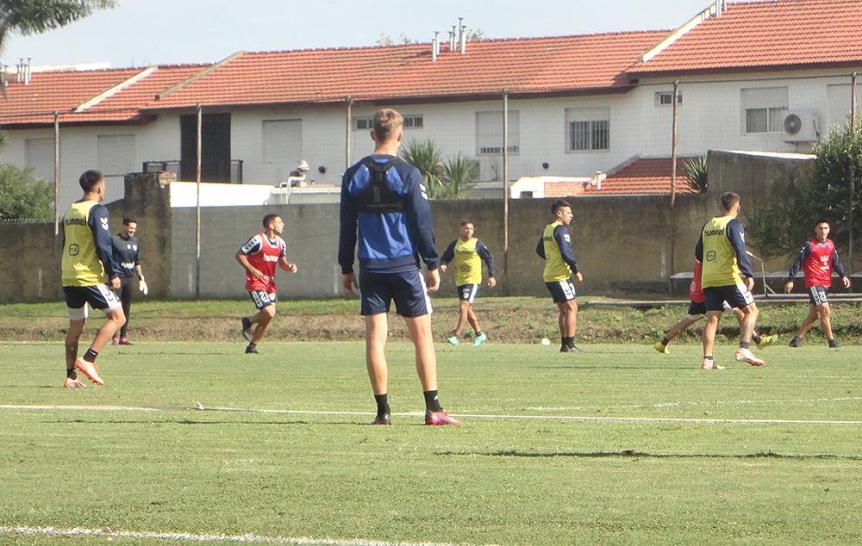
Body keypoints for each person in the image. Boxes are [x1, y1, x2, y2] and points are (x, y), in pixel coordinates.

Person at [338, 107, 460, 426]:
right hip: (404, 266)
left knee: (376, 338)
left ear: (372, 135)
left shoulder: (352, 175)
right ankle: (433, 409)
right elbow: (421, 222)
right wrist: (432, 262)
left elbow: (346, 225)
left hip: (371, 268)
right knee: (422, 337)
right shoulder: (408, 174)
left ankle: (383, 412)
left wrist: (345, 267)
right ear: (401, 135)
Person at [61, 169, 125, 388]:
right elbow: (103, 244)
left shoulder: (70, 210)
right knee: (118, 317)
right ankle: (88, 359)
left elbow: (64, 242)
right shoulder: (97, 210)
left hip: (69, 274)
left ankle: (70, 376)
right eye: (104, 186)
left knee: (76, 327)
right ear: (98, 188)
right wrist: (113, 273)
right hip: (88, 276)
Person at [695, 191, 764, 370]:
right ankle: (744, 348)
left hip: (708, 278)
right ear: (737, 207)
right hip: (728, 277)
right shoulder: (734, 225)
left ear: (721, 206)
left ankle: (707, 360)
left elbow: (698, 254)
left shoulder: (708, 225)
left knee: (712, 319)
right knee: (752, 311)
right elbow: (740, 249)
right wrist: (748, 273)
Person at [654, 259, 777, 353]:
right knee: (739, 312)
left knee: (689, 319)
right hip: (708, 291)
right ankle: (757, 341)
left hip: (697, 291)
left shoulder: (702, 253)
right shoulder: (710, 256)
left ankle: (663, 343)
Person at [236, 214, 298, 354]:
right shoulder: (257, 240)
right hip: (256, 282)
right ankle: (249, 320)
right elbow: (239, 254)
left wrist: (289, 267)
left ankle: (252, 346)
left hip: (270, 284)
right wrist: (252, 269)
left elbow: (282, 263)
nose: (283, 224)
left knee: (268, 317)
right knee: (269, 312)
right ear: (271, 225)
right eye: (279, 222)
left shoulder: (281, 243)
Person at [784, 220, 851, 348]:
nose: (823, 231)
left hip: (826, 282)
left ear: (829, 230)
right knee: (825, 310)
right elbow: (798, 262)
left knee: (815, 314)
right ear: (816, 230)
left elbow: (835, 262)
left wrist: (843, 275)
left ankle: (797, 339)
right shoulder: (810, 245)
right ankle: (831, 341)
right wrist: (791, 279)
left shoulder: (830, 245)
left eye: (826, 228)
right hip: (814, 282)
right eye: (820, 228)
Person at [536, 199, 584, 353]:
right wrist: (576, 269)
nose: (571, 216)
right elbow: (566, 251)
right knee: (572, 308)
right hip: (560, 276)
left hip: (550, 275)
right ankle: (570, 345)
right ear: (559, 213)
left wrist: (551, 259)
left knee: (564, 310)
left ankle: (564, 345)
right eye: (568, 213)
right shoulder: (561, 230)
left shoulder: (548, 229)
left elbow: (539, 249)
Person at [439, 220, 496, 346]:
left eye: (471, 228)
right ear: (461, 230)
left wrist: (491, 276)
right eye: (466, 228)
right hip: (460, 279)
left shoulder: (477, 244)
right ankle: (480, 334)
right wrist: (443, 264)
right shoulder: (456, 244)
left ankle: (456, 335)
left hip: (473, 280)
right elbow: (447, 255)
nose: (468, 230)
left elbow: (489, 259)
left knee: (463, 306)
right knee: (468, 309)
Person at [110, 217, 148, 345]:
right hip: (117, 278)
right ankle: (114, 336)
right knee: (115, 307)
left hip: (129, 278)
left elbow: (136, 261)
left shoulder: (135, 241)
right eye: (130, 228)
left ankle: (123, 337)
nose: (132, 231)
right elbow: (107, 259)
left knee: (126, 307)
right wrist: (112, 275)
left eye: (134, 229)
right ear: (124, 226)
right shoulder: (114, 240)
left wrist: (141, 278)